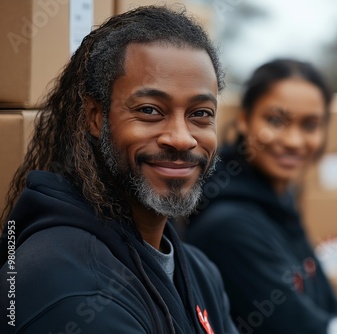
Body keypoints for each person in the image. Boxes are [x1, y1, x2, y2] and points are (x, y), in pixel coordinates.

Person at [0, 6, 237, 333]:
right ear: (96, 117)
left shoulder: (199, 271)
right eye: (150, 110)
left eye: (200, 114)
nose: (182, 139)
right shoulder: (66, 284)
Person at [185, 59, 337, 334]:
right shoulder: (229, 226)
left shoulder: (278, 203)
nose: (293, 140)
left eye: (310, 125)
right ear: (244, 120)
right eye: (275, 120)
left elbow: (332, 307)